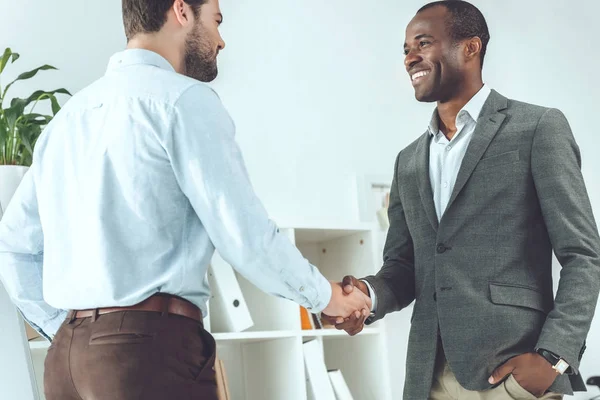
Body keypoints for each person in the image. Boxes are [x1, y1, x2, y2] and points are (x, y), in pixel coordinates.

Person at [0, 0, 370, 399]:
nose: (221, 40)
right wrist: (328, 297)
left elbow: (14, 246)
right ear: (181, 11)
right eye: (216, 20)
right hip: (148, 356)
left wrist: (66, 328)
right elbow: (244, 236)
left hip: (66, 364)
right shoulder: (181, 100)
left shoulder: (67, 120)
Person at [324, 1, 600, 399]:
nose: (410, 58)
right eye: (405, 49)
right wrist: (365, 296)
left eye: (423, 42)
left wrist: (554, 357)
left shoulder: (537, 128)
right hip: (427, 376)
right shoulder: (409, 161)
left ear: (470, 48)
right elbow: (405, 267)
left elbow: (583, 254)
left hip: (510, 372)